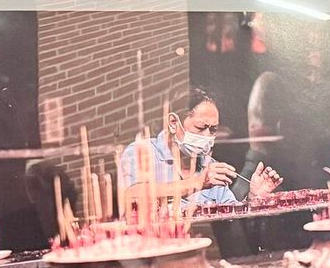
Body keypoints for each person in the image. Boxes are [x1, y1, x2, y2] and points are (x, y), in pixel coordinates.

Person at [119, 87, 280, 208]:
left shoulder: (211, 168)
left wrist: (253, 198)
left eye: (213, 130)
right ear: (173, 123)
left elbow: (231, 215)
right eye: (200, 127)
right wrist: (197, 182)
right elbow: (132, 197)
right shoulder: (142, 152)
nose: (207, 136)